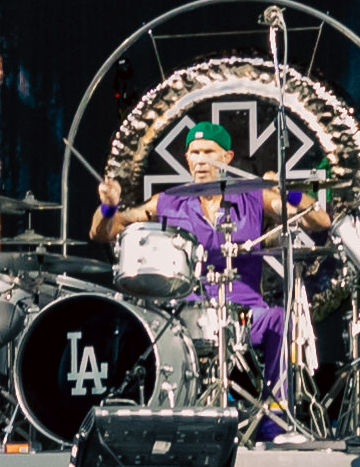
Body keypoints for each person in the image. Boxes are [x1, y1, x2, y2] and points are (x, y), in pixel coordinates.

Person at [89, 121, 331, 440]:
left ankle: (274, 423)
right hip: (185, 315)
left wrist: (288, 190)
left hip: (244, 315)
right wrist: (108, 207)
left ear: (227, 158)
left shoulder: (253, 196)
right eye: (194, 153)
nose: (200, 160)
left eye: (208, 152)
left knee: (280, 319)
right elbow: (103, 232)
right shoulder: (168, 201)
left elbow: (319, 220)